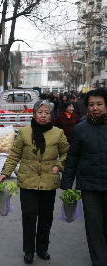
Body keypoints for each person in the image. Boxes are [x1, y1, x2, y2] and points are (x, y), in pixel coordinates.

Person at [0, 100, 69, 263]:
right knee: (29, 217)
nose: (43, 116)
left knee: (45, 218)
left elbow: (67, 154)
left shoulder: (58, 133)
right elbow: (14, 155)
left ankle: (42, 249)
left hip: (49, 182)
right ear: (34, 114)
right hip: (27, 181)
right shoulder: (24, 132)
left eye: (47, 113)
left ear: (50, 116)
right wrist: (5, 173)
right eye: (40, 112)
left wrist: (58, 166)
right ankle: (28, 250)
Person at [61, 88, 107, 266]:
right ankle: (99, 261)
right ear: (87, 107)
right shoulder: (80, 129)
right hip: (89, 186)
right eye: (91, 105)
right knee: (94, 227)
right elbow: (73, 157)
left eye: (99, 104)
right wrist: (66, 184)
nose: (95, 108)